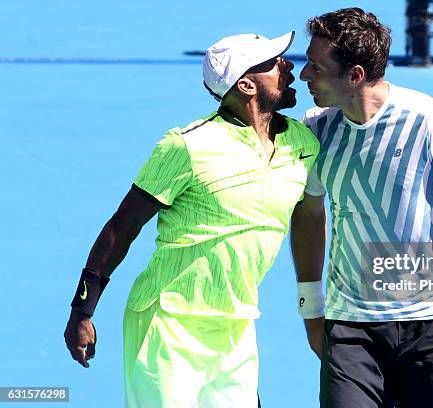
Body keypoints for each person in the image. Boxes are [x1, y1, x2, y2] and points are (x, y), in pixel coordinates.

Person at [64, 31, 319, 408]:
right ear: (246, 85)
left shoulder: (303, 145)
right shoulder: (187, 146)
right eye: (273, 63)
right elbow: (123, 226)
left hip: (237, 325)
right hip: (167, 324)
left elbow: (310, 219)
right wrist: (82, 311)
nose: (288, 65)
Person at [290, 8, 433, 408]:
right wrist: (312, 309)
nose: (304, 75)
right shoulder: (315, 129)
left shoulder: (431, 122)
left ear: (355, 75)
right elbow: (309, 214)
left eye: (315, 66)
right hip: (351, 327)